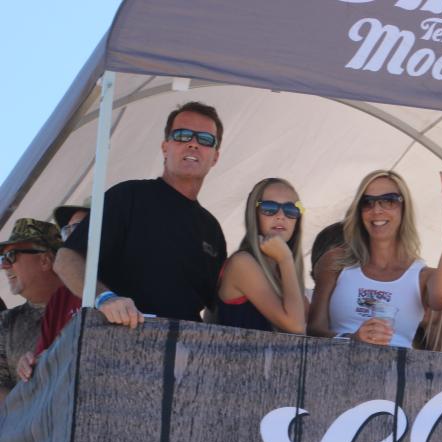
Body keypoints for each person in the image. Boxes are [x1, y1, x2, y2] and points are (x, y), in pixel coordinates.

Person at [54, 101, 227, 328]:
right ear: (165, 147)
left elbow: (217, 305)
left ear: (215, 157)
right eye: (182, 135)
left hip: (184, 345)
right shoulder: (128, 196)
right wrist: (105, 298)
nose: (193, 144)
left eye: (205, 139)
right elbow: (66, 259)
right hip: (121, 338)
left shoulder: (212, 229)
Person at [308, 154, 442, 347]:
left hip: (396, 367)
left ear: (404, 209)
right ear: (359, 211)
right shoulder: (335, 261)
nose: (377, 210)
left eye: (389, 200)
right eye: (367, 202)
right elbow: (313, 330)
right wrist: (352, 339)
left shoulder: (421, 277)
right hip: (335, 364)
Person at [217, 178, 306, 333]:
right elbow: (296, 327)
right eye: (269, 208)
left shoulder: (283, 271)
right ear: (254, 214)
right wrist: (286, 259)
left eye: (290, 209)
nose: (280, 216)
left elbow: (307, 328)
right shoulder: (242, 263)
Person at [16, 205, 89, 383]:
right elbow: (43, 360)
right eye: (66, 231)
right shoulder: (59, 300)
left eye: (78, 227)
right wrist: (29, 364)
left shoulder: (127, 272)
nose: (72, 235)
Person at [0, 219, 63, 399]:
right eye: (3, 258)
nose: (4, 266)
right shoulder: (5, 323)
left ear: (45, 260)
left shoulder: (89, 299)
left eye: (11, 256)